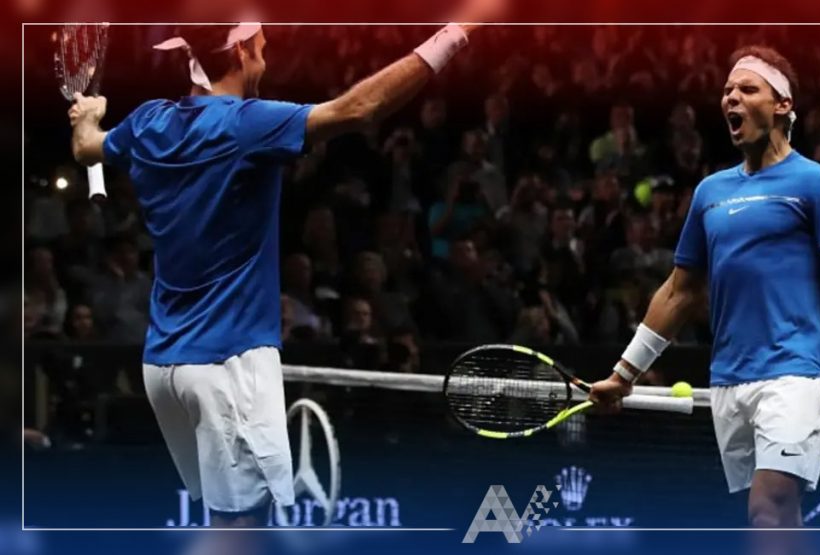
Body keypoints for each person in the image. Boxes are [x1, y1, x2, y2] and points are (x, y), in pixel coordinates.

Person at [66, 2, 504, 527]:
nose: (266, 60)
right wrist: (457, 32)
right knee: (240, 531)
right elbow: (360, 109)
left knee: (225, 522)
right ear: (241, 50)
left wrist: (87, 118)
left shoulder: (147, 122)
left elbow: (86, 149)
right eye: (262, 49)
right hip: (228, 364)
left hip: (163, 366)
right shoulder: (247, 125)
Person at [588, 46, 820, 528]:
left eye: (747, 89)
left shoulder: (819, 184)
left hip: (797, 371)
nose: (731, 97)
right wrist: (624, 373)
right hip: (729, 378)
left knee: (768, 505)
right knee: (779, 516)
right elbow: (679, 292)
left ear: (782, 105)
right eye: (727, 90)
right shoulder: (709, 193)